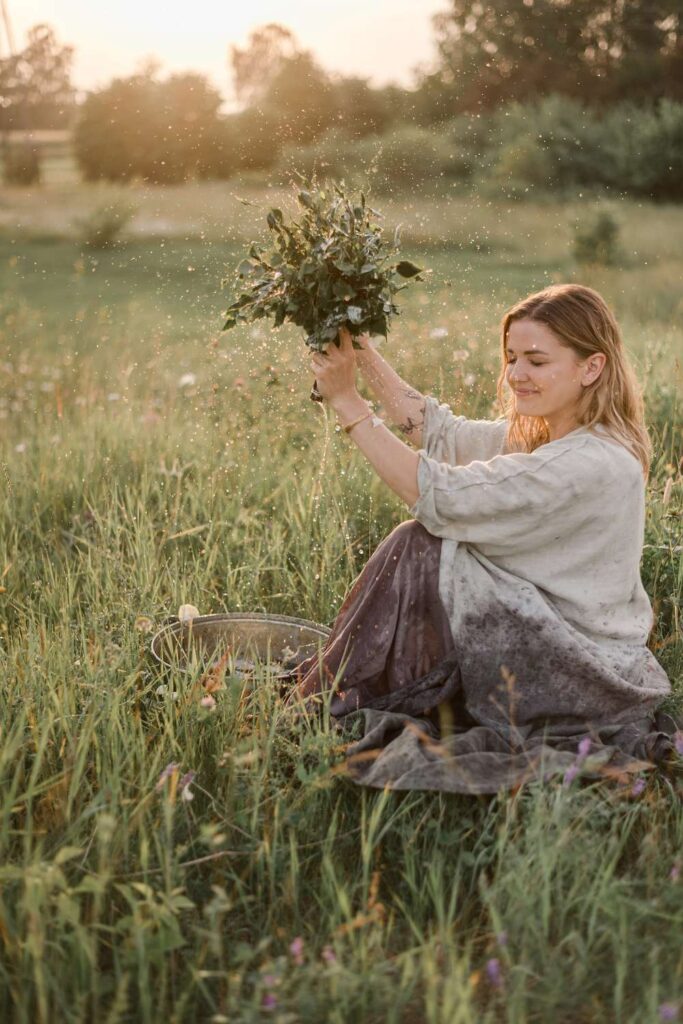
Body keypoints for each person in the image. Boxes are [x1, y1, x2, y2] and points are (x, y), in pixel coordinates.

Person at [291, 283, 675, 793]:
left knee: (419, 547)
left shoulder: (587, 464)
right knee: (427, 547)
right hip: (553, 634)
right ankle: (338, 686)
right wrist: (362, 351)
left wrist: (346, 401)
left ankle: (320, 704)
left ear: (591, 367)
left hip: (575, 672)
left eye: (537, 361)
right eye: (512, 357)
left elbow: (432, 492)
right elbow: (445, 436)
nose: (516, 374)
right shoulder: (561, 433)